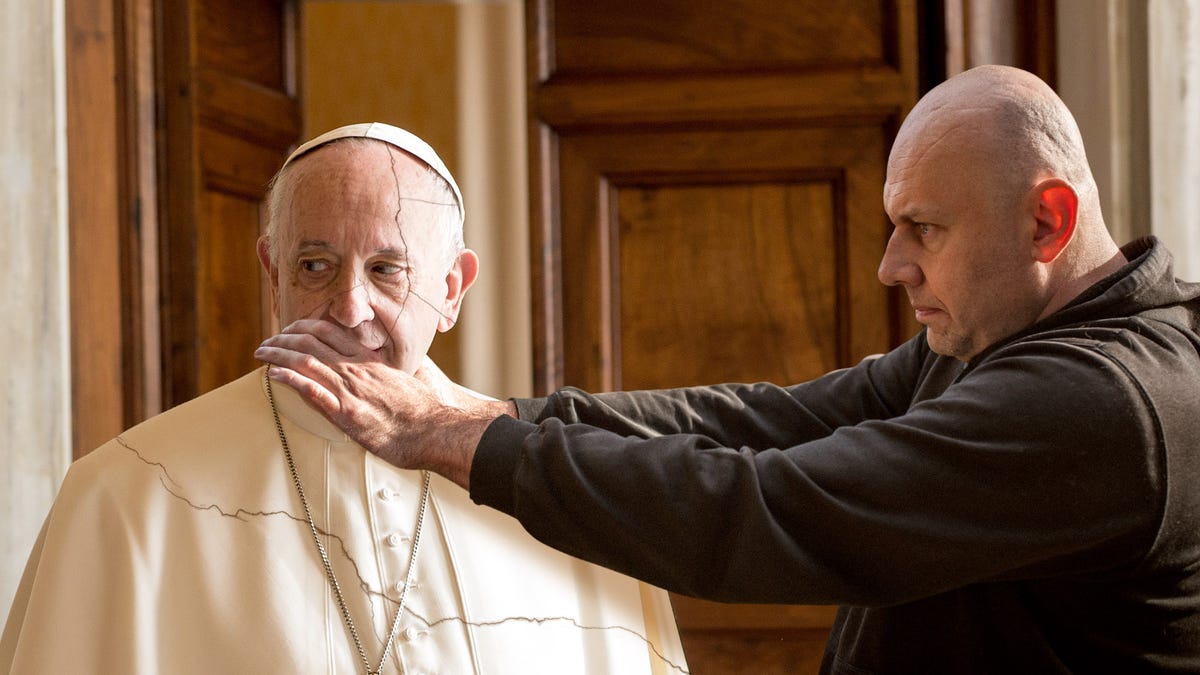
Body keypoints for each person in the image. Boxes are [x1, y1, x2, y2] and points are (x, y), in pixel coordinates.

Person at [256, 66, 1200, 673]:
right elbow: (764, 421)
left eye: (926, 229)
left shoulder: (1101, 403)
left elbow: (770, 505)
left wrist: (455, 437)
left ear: (1047, 221)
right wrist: (495, 409)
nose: (891, 264)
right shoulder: (1004, 338)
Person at [0, 122, 688, 674]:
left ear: (452, 288)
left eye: (387, 269)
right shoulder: (126, 496)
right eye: (315, 266)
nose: (350, 307)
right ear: (274, 275)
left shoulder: (571, 487)